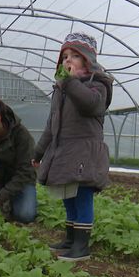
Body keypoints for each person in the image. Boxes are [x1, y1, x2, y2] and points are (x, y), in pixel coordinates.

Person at [32, 32, 113, 261]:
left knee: (82, 195)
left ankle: (81, 245)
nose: (67, 60)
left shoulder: (98, 84)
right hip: (64, 151)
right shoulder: (61, 89)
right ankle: (70, 238)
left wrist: (69, 82)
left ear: (88, 60)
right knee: (68, 195)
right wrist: (38, 152)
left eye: (74, 56)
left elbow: (91, 105)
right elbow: (52, 123)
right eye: (64, 56)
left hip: (85, 152)